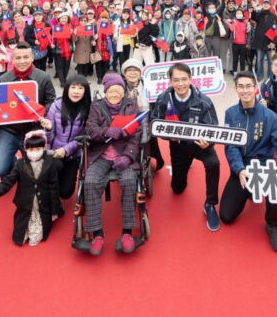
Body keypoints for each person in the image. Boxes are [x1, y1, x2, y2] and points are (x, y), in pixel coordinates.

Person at [221, 71, 277, 252]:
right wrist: (239, 169)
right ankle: (248, 191)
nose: (245, 90)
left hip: (264, 167)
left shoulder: (270, 116)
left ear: (256, 88)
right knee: (226, 216)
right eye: (241, 86)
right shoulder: (230, 114)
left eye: (249, 86)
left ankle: (272, 224)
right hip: (242, 169)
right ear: (235, 89)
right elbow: (230, 146)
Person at [151, 63, 221, 230]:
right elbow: (155, 124)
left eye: (184, 79)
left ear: (191, 79)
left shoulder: (204, 101)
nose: (180, 84)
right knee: (177, 189)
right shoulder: (162, 100)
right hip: (178, 146)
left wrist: (208, 142)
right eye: (176, 80)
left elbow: (214, 127)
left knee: (214, 163)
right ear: (170, 81)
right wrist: (168, 135)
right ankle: (185, 167)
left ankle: (210, 204)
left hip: (200, 145)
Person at [83, 73, 142, 255]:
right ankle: (97, 234)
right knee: (90, 182)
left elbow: (137, 134)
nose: (115, 93)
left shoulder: (131, 106)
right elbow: (90, 129)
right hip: (101, 154)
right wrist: (107, 131)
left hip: (123, 155)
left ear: (123, 91)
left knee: (129, 181)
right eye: (111, 90)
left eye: (118, 90)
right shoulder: (96, 106)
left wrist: (129, 157)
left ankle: (127, 232)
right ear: (105, 90)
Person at [0, 131, 62, 246]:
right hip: (25, 204)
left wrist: (55, 209)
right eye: (31, 149)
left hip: (43, 205)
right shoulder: (20, 164)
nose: (34, 153)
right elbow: (7, 183)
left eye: (38, 149)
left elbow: (53, 187)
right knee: (19, 234)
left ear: (44, 148)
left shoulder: (50, 164)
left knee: (36, 237)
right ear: (25, 148)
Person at [0, 42, 57, 178]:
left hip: (34, 129)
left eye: (26, 57)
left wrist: (40, 112)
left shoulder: (43, 77)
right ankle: (12, 162)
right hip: (9, 131)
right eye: (18, 58)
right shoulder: (4, 79)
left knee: (38, 174)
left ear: (32, 58)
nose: (22, 61)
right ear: (12, 59)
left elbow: (51, 101)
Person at [45, 74, 90, 199]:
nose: (76, 91)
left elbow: (85, 136)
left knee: (65, 193)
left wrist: (66, 150)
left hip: (73, 155)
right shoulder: (56, 105)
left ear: (85, 91)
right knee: (55, 167)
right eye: (73, 87)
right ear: (67, 89)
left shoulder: (89, 109)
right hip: (54, 153)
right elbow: (47, 136)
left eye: (81, 88)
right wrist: (48, 131)